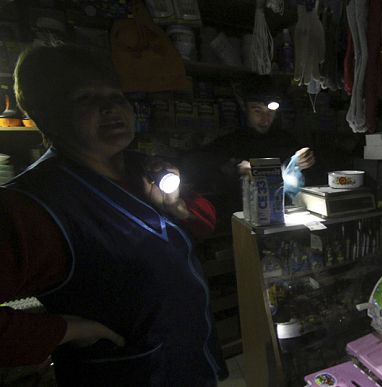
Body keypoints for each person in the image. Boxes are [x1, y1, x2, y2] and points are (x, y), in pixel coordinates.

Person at [0, 42, 228, 386]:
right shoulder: (29, 205)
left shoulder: (142, 168)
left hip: (189, 365)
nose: (111, 108)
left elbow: (201, 222)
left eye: (117, 96)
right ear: (46, 114)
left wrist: (177, 207)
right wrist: (68, 330)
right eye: (86, 99)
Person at [182, 73, 316, 216]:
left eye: (270, 112)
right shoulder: (231, 142)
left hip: (283, 215)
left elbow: (313, 170)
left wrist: (305, 157)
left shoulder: (284, 140)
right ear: (244, 107)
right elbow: (191, 164)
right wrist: (234, 166)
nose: (265, 120)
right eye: (257, 111)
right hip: (243, 219)